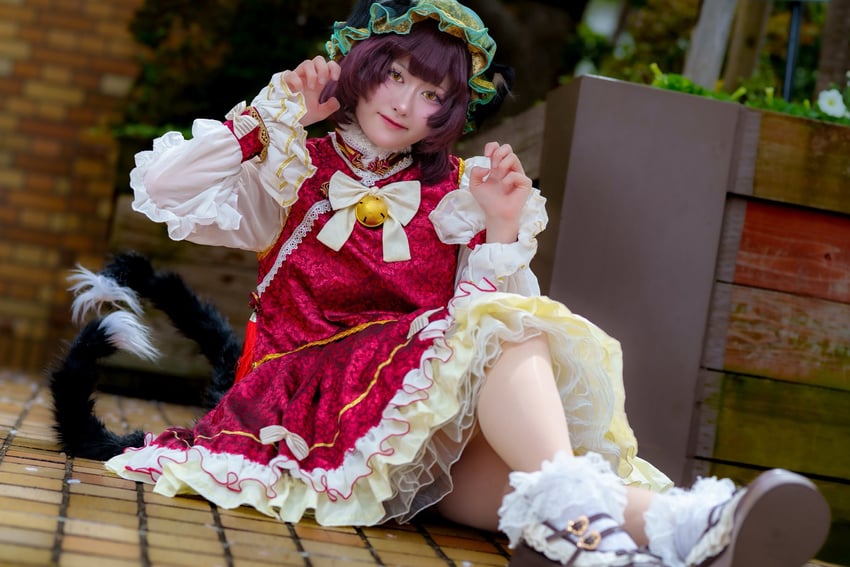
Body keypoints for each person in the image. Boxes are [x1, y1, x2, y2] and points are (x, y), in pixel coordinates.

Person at [67, 1, 829, 565]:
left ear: (450, 110)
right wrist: (270, 119)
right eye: (395, 74)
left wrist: (499, 227)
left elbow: (483, 341)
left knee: (520, 473)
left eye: (430, 92)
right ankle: (662, 523)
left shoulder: (460, 191)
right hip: (301, 405)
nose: (405, 103)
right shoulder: (295, 164)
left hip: (401, 426)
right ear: (359, 67)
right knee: (505, 332)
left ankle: (676, 531)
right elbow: (161, 186)